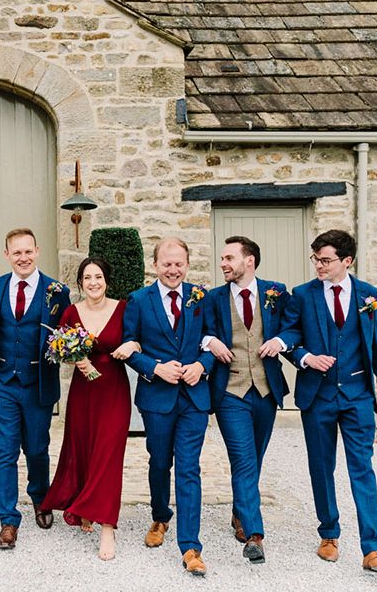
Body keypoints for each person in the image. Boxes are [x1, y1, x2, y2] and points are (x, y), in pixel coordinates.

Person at [283, 230, 377, 574]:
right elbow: (290, 339)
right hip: (317, 396)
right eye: (315, 258)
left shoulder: (368, 296)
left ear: (347, 261)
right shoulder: (302, 296)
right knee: (321, 466)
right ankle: (329, 533)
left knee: (362, 467)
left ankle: (373, 548)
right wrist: (306, 358)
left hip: (358, 395)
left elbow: (374, 343)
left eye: (326, 259)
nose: (318, 265)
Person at [0, 228, 71, 550]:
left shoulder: (57, 290)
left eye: (28, 251)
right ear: (6, 255)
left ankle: (40, 497)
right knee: (5, 451)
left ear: (37, 251)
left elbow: (66, 331)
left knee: (37, 448)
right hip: (2, 383)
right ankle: (8, 519)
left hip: (38, 383)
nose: (22, 258)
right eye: (16, 252)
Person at [202, 236, 299, 564]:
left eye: (229, 258)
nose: (223, 264)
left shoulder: (276, 292)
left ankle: (239, 512)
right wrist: (211, 340)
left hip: (266, 390)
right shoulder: (214, 298)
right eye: (223, 258)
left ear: (249, 262)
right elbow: (200, 329)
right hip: (231, 392)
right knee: (243, 459)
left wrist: (281, 341)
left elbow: (294, 328)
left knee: (254, 458)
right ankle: (254, 535)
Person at [122, 237, 215, 576]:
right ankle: (160, 516)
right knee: (160, 462)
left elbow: (213, 341)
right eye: (166, 263)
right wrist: (154, 367)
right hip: (157, 399)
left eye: (178, 264)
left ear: (187, 265)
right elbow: (129, 348)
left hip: (194, 398)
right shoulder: (138, 300)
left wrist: (201, 365)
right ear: (155, 264)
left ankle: (191, 546)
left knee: (189, 468)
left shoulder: (201, 298)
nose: (173, 270)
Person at [40, 257, 139, 561]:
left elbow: (140, 339)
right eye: (87, 278)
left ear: (106, 280)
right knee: (83, 449)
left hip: (113, 390)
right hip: (83, 391)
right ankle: (84, 507)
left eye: (98, 276)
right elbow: (56, 347)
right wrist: (74, 359)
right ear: (80, 283)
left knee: (108, 454)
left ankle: (107, 525)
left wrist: (131, 346)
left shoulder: (124, 308)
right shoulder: (72, 312)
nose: (93, 282)